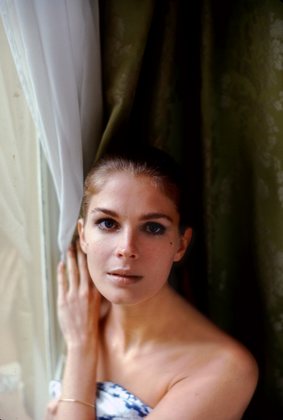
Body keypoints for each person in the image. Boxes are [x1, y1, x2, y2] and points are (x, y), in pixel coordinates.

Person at [45, 145, 258, 420]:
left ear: (181, 245)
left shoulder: (225, 369)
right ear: (83, 235)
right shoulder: (83, 310)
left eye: (153, 227)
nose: (126, 248)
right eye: (108, 223)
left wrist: (80, 347)